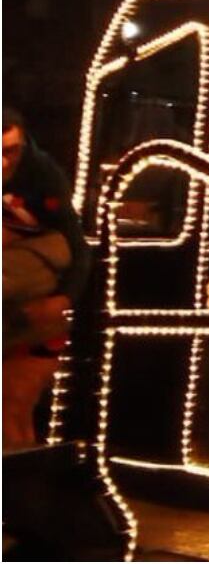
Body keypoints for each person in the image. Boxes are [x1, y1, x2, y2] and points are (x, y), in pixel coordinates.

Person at [4, 108, 88, 450]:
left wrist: (64, 299)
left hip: (36, 315)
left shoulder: (42, 177)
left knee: (11, 407)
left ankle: (18, 496)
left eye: (10, 151)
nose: (3, 162)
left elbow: (78, 249)